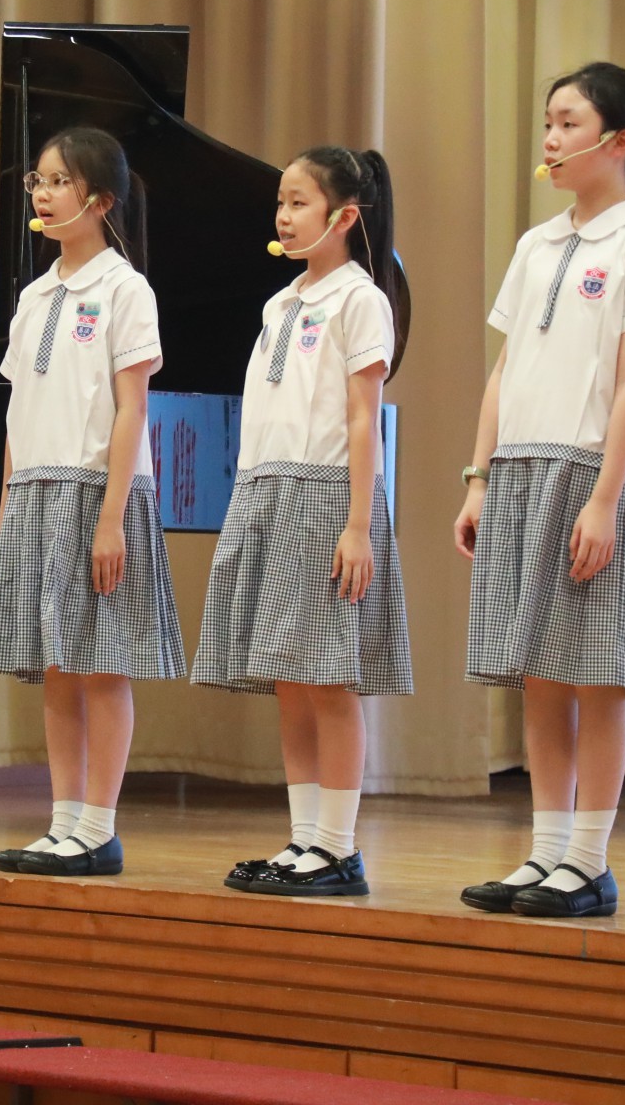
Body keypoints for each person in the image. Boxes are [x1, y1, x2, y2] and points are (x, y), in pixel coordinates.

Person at [457, 61, 625, 920]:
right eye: (547, 123)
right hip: (517, 470)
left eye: (568, 123)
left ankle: (588, 861)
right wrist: (479, 476)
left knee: (594, 673)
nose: (549, 139)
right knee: (539, 673)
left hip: (586, 472)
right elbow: (504, 369)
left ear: (618, 141)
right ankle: (546, 852)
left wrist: (605, 499)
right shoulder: (536, 244)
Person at [194, 145, 412, 898]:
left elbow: (362, 419)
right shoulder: (280, 304)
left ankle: (339, 848)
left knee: (327, 678)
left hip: (325, 498)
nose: (284, 217)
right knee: (288, 678)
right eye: (280, 204)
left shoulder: (360, 300)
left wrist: (359, 524)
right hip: (267, 492)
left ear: (343, 216)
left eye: (299, 203)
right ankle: (304, 839)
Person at [0, 128, 183, 877]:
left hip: (97, 491)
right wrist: (8, 501)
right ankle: (63, 822)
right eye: (37, 180)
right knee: (56, 666)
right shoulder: (35, 295)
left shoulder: (125, 289)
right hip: (35, 492)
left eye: (58, 181)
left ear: (99, 200)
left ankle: (98, 828)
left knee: (101, 663)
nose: (41, 193)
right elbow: (17, 409)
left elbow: (133, 410)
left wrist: (111, 518)